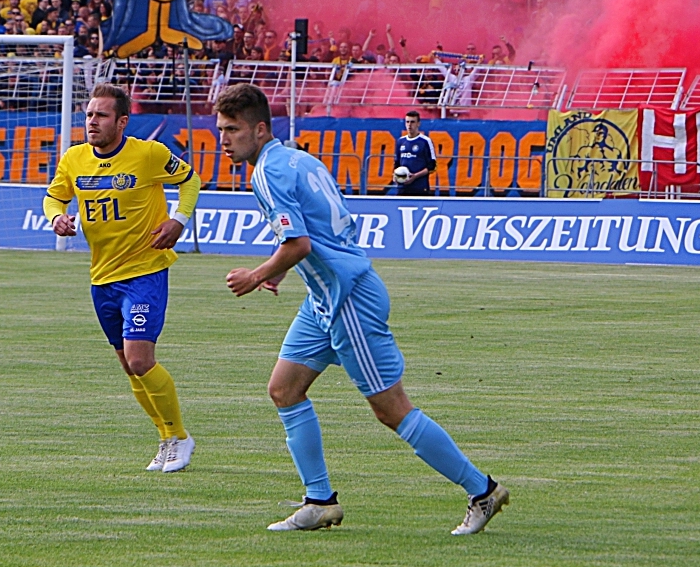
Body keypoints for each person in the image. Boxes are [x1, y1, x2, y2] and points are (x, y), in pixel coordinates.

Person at [217, 83, 509, 534]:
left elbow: (299, 242)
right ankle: (319, 502)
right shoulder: (297, 158)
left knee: (392, 409)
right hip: (325, 298)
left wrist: (257, 274)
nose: (223, 138)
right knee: (284, 389)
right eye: (220, 129)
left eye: (232, 130)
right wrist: (281, 271)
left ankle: (482, 490)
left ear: (258, 130)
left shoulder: (266, 173)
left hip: (347, 298)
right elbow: (323, 231)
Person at [44, 84, 204, 473]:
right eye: (89, 115)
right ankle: (165, 438)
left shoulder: (148, 154)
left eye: (100, 115)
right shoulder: (74, 159)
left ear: (122, 121)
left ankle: (181, 436)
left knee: (139, 358)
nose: (92, 122)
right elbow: (54, 196)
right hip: (102, 277)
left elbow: (191, 180)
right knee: (127, 364)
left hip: (145, 272)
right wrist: (57, 218)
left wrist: (178, 221)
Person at [393, 111, 437, 195]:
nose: (409, 125)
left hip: (420, 188)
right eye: (407, 122)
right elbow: (397, 163)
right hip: (403, 188)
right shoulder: (400, 141)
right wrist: (395, 175)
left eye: (412, 122)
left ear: (418, 124)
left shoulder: (425, 141)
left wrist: (415, 176)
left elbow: (432, 166)